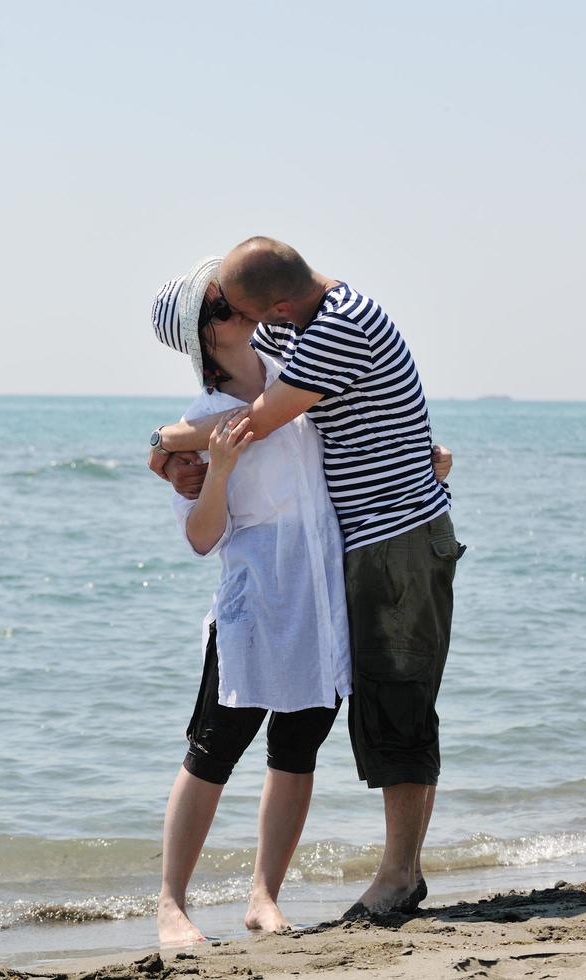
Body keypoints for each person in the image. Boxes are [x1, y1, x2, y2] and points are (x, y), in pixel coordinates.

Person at [148, 237, 462, 920]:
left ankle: (270, 896)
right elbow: (201, 534)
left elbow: (295, 422)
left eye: (235, 295)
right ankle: (172, 904)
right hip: (262, 599)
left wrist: (166, 442)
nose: (237, 304)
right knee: (214, 747)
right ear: (206, 329)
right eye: (220, 300)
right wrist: (189, 452)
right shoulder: (210, 412)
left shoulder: (299, 358)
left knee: (304, 746)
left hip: (329, 589)